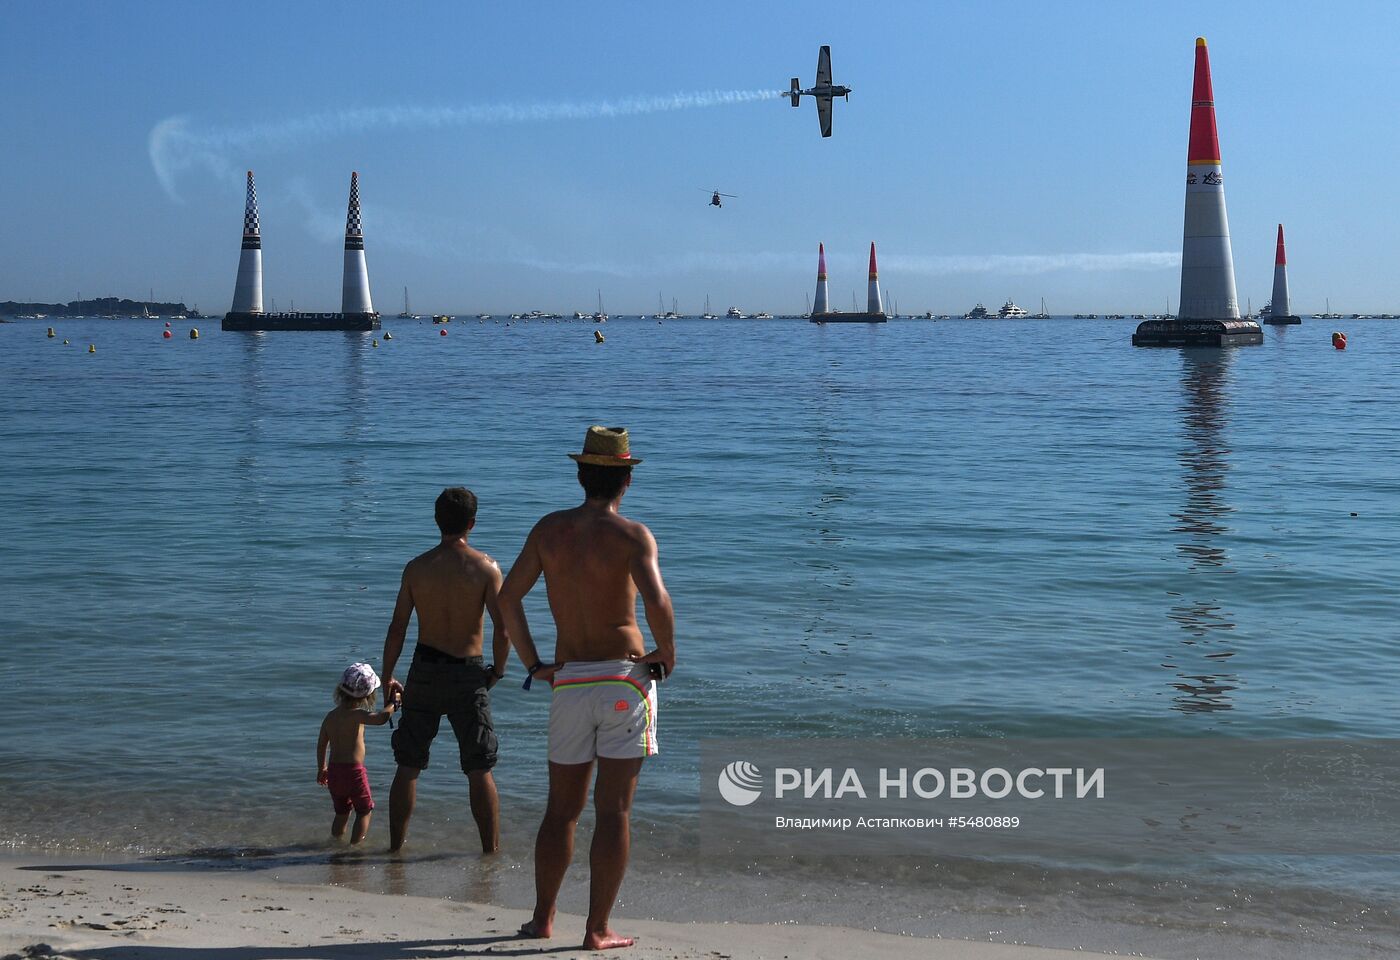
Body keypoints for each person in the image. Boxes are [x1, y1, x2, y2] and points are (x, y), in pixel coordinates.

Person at [499, 425, 675, 951]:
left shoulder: (548, 531)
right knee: (614, 809)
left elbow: (508, 600)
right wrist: (667, 654)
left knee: (561, 809)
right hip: (623, 678)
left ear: (580, 475)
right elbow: (657, 601)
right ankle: (597, 928)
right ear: (626, 481)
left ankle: (541, 919)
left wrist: (534, 664)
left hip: (570, 680)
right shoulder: (632, 536)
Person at [381, 487, 509, 853]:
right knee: (479, 766)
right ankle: (490, 853)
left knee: (408, 763)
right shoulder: (487, 568)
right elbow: (503, 629)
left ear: (437, 521)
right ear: (473, 522)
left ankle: (395, 847)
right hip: (468, 674)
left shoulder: (417, 568)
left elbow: (397, 628)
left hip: (424, 669)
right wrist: (497, 671)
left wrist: (388, 675)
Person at [316, 662, 397, 844]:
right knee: (364, 811)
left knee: (342, 812)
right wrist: (393, 704)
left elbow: (322, 745)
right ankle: (354, 847)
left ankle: (335, 844)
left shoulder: (330, 716)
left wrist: (322, 768)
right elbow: (381, 718)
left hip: (335, 773)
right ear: (367, 695)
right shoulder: (358, 715)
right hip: (354, 773)